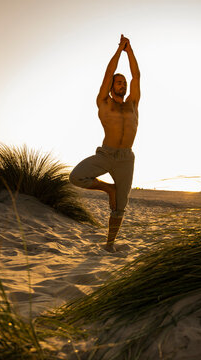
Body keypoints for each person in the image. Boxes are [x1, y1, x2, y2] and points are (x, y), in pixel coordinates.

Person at [69, 34, 140, 252]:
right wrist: (120, 50)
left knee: (121, 206)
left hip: (126, 158)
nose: (123, 85)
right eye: (119, 82)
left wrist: (131, 52)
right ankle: (108, 188)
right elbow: (108, 73)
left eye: (124, 83)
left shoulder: (132, 104)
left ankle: (109, 245)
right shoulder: (104, 102)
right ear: (111, 86)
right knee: (76, 177)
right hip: (106, 154)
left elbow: (137, 76)